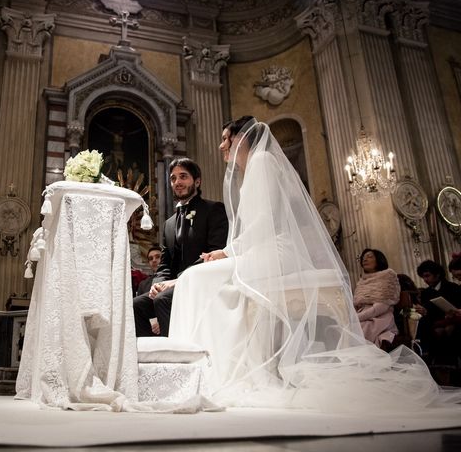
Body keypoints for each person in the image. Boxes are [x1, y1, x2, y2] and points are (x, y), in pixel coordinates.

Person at [169, 116, 461, 412]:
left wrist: (229, 253)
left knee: (197, 279)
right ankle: (212, 370)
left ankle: (220, 371)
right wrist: (231, 252)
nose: (221, 145)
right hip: (258, 250)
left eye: (225, 138)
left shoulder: (263, 163)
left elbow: (265, 224)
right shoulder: (255, 167)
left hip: (275, 251)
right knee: (198, 277)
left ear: (241, 139)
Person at [133, 158, 228, 337]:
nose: (177, 182)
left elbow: (214, 254)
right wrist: (157, 284)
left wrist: (180, 280)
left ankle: (176, 355)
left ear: (197, 181)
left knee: (163, 300)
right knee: (135, 306)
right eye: (173, 178)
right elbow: (164, 264)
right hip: (173, 286)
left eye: (183, 176)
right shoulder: (169, 224)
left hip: (202, 282)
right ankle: (156, 354)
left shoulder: (213, 210)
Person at [416, 260, 461, 366]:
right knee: (425, 324)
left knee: (447, 330)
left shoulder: (453, 288)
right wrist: (424, 311)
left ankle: (449, 364)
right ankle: (429, 359)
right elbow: (427, 310)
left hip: (452, 320)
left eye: (427, 276)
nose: (425, 280)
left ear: (437, 274)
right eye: (423, 277)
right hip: (434, 321)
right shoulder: (426, 293)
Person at [353, 248, 400, 348]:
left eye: (369, 257)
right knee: (342, 327)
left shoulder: (388, 276)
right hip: (362, 315)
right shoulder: (362, 280)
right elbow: (356, 305)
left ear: (379, 260)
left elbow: (381, 307)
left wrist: (356, 318)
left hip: (380, 317)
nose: (365, 260)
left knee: (357, 329)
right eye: (363, 258)